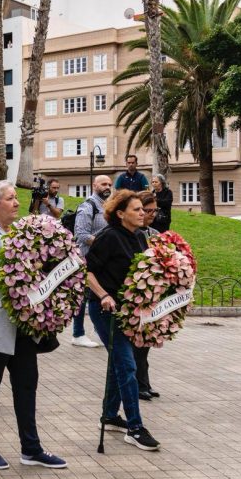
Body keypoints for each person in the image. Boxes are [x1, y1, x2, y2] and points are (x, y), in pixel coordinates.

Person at [0, 180, 67, 470]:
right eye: (10, 198)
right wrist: (19, 268)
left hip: (21, 326)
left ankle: (31, 449)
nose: (17, 203)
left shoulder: (18, 233)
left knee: (26, 386)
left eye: (16, 198)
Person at [86, 189, 160, 451]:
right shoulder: (108, 237)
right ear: (120, 214)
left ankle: (109, 415)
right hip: (105, 309)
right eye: (137, 209)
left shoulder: (139, 237)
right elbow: (87, 272)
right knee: (127, 365)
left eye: (144, 209)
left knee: (120, 363)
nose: (143, 213)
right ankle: (135, 428)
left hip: (130, 311)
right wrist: (104, 295)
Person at [71, 175, 112, 348]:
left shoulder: (108, 206)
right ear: (94, 185)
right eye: (103, 184)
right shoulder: (88, 206)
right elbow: (81, 234)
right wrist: (108, 242)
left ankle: (97, 329)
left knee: (96, 295)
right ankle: (78, 334)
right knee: (82, 296)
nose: (107, 187)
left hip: (102, 260)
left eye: (110, 184)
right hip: (86, 258)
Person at [134, 192, 160, 401]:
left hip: (152, 294)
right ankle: (138, 383)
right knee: (137, 344)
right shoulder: (132, 233)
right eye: (148, 210)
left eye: (154, 210)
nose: (152, 214)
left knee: (146, 342)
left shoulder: (154, 233)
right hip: (136, 294)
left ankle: (144, 382)